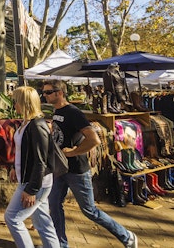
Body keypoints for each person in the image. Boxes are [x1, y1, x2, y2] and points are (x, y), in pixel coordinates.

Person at [43, 79, 138, 248]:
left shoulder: (73, 112)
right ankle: (59, 244)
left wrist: (72, 152)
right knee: (54, 205)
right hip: (60, 169)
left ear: (59, 93)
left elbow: (93, 140)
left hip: (77, 171)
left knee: (90, 211)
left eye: (48, 92)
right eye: (44, 92)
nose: (45, 95)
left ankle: (127, 236)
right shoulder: (56, 111)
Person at [4, 86, 59, 248]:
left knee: (12, 218)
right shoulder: (27, 123)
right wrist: (15, 167)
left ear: (25, 103)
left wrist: (31, 190)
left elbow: (40, 161)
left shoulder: (37, 126)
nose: (14, 105)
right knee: (42, 222)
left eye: (16, 102)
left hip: (35, 183)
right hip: (31, 181)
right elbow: (24, 151)